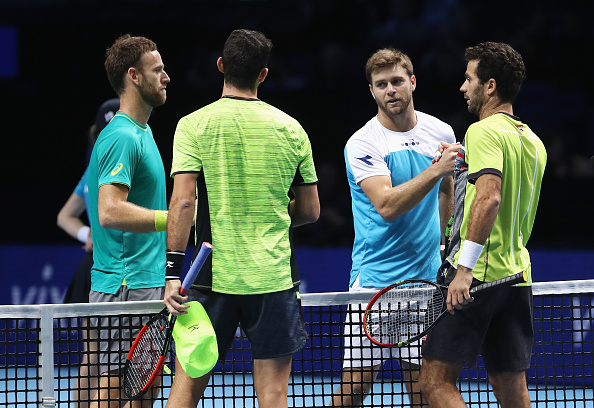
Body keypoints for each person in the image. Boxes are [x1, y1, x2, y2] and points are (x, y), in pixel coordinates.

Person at [163, 29, 320, 408]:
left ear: (221, 66)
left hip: (210, 278)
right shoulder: (292, 128)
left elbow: (183, 202)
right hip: (273, 279)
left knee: (184, 394)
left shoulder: (192, 125)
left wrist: (172, 273)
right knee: (272, 397)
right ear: (263, 74)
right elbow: (311, 211)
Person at [418, 42, 547, 408]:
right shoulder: (533, 141)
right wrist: (456, 169)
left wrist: (464, 270)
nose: (463, 87)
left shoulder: (483, 131)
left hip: (477, 278)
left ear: (489, 86)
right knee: (510, 385)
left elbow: (490, 197)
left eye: (469, 78)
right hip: (517, 274)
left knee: (435, 381)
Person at [331, 48, 459, 407]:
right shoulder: (363, 143)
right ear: (371, 91)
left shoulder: (440, 130)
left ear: (412, 82)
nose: (391, 90)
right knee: (354, 388)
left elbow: (447, 189)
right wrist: (434, 169)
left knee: (424, 387)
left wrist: (445, 243)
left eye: (397, 81)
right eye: (381, 84)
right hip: (375, 284)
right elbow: (386, 206)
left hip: (426, 282)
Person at [87, 34, 170, 408]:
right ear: (134, 76)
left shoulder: (143, 132)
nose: (166, 77)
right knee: (115, 384)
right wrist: (173, 220)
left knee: (144, 388)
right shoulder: (121, 136)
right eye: (158, 70)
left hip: (145, 281)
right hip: (124, 284)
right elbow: (109, 211)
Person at [57, 98, 119, 408]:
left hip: (121, 266)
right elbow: (64, 216)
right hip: (100, 267)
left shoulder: (123, 162)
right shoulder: (97, 171)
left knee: (103, 358)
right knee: (96, 357)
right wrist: (88, 233)